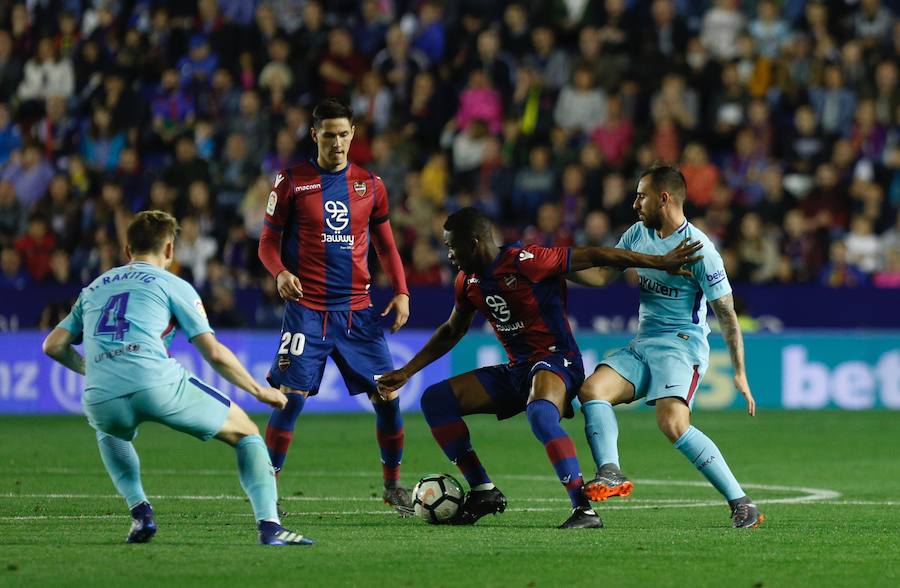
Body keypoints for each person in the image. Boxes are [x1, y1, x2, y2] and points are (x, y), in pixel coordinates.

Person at [376, 207, 702, 529]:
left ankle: (584, 510)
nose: (448, 254)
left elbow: (596, 254)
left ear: (474, 243)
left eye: (451, 245)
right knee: (436, 400)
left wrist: (659, 262)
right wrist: (407, 371)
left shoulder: (526, 260)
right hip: (518, 369)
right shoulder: (467, 281)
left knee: (540, 414)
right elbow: (451, 330)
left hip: (559, 361)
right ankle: (483, 491)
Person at [41, 211, 313, 546]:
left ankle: (140, 513)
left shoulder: (94, 288)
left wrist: (89, 368)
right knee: (247, 434)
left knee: (109, 431)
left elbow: (52, 345)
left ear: (128, 250)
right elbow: (212, 352)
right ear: (169, 250)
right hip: (154, 382)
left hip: (101, 393)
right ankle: (270, 527)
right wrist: (259, 391)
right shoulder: (172, 284)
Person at [570, 165, 764, 529]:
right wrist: (554, 268)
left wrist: (739, 370)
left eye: (641, 195)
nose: (634, 203)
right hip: (644, 342)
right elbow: (601, 276)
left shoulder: (701, 250)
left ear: (665, 198)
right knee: (592, 390)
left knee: (672, 423)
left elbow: (726, 313)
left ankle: (742, 503)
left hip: (681, 345)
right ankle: (610, 471)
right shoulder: (637, 234)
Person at [257, 99, 413, 514]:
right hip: (306, 310)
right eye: (329, 134)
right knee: (290, 401)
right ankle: (267, 490)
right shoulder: (290, 182)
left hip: (358, 313)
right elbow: (267, 243)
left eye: (344, 134)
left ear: (353, 135)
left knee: (389, 397)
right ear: (315, 135)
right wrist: (279, 272)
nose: (338, 142)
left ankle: (393, 485)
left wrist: (401, 291)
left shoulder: (370, 185)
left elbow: (386, 245)